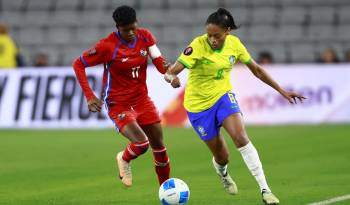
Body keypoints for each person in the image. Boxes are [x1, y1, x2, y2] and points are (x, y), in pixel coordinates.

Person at [164, 8, 305, 205]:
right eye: (209, 35)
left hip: (222, 97)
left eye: (217, 35)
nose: (212, 39)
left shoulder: (234, 44)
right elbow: (174, 70)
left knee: (240, 137)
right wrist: (171, 77)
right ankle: (223, 173)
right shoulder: (198, 44)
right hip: (197, 107)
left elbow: (256, 70)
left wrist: (282, 91)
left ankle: (265, 190)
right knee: (222, 156)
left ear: (227, 31)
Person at [72, 5, 170, 187]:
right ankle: (124, 159)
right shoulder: (107, 46)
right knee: (141, 145)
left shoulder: (145, 36)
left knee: (160, 146)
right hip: (119, 103)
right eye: (126, 30)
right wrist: (89, 95)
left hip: (142, 100)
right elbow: (78, 64)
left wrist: (170, 74)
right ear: (118, 27)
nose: (132, 32)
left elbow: (158, 61)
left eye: (134, 27)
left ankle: (165, 190)